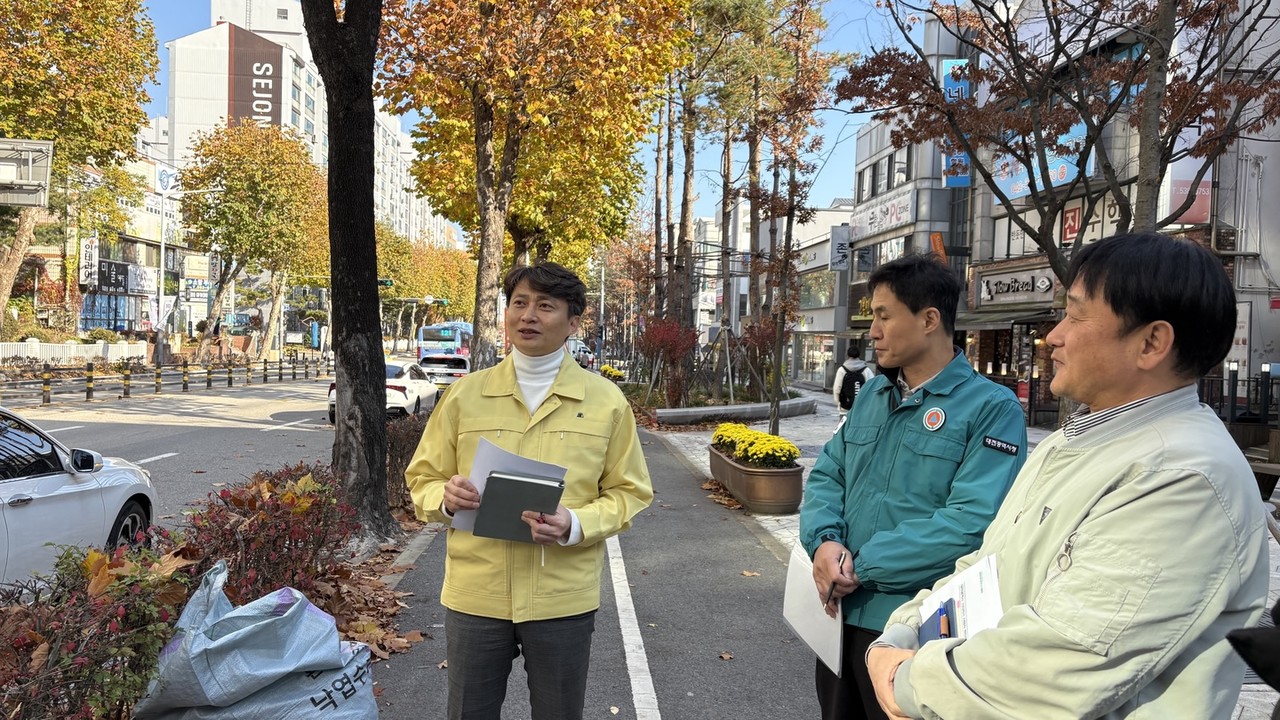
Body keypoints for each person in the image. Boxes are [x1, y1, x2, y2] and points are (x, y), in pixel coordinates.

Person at [868, 232, 1271, 720]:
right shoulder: (1075, 439)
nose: (1053, 336)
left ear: (1151, 342)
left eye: (1076, 315)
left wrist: (906, 678)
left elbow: (1056, 665)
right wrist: (905, 629)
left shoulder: (1184, 477)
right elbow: (990, 564)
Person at [405, 262, 653, 720]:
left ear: (573, 321)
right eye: (519, 303)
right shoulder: (465, 395)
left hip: (562, 595)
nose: (528, 315)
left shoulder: (606, 402)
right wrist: (445, 496)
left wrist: (575, 524)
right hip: (475, 592)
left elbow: (630, 491)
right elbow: (422, 477)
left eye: (545, 305)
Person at [801, 253, 1028, 720]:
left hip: (915, 628)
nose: (873, 331)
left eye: (884, 315)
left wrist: (860, 565)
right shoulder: (874, 395)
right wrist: (824, 543)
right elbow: (828, 474)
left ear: (929, 319)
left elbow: (971, 524)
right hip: (838, 620)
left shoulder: (992, 408)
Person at [832, 345, 875, 412]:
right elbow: (873, 387)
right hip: (862, 407)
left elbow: (837, 388)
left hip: (845, 406)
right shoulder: (866, 370)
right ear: (859, 355)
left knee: (844, 421)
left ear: (847, 355)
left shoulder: (842, 369)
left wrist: (838, 403)